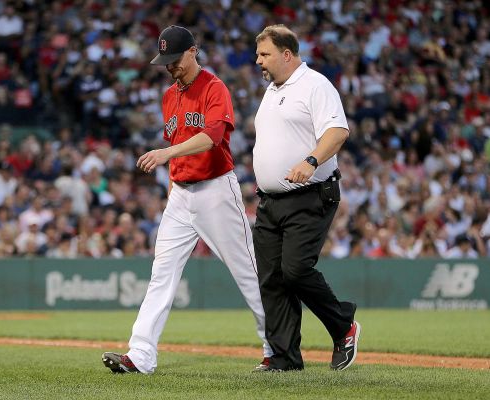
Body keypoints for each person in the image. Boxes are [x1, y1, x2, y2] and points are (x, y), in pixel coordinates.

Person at [102, 25, 272, 374]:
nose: (170, 66)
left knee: (247, 271)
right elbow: (179, 151)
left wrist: (167, 153)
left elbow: (211, 138)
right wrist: (171, 188)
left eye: (175, 59)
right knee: (161, 274)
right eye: (165, 61)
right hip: (180, 195)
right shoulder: (169, 96)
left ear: (193, 52)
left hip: (215, 190)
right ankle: (141, 355)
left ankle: (276, 348)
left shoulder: (215, 88)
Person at [252, 25, 360, 372]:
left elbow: (338, 130)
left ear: (287, 54)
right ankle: (284, 359)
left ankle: (343, 324)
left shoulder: (315, 85)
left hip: (310, 194)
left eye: (264, 54)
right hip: (270, 200)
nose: (258, 61)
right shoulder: (272, 90)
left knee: (296, 271)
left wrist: (311, 160)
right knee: (271, 279)